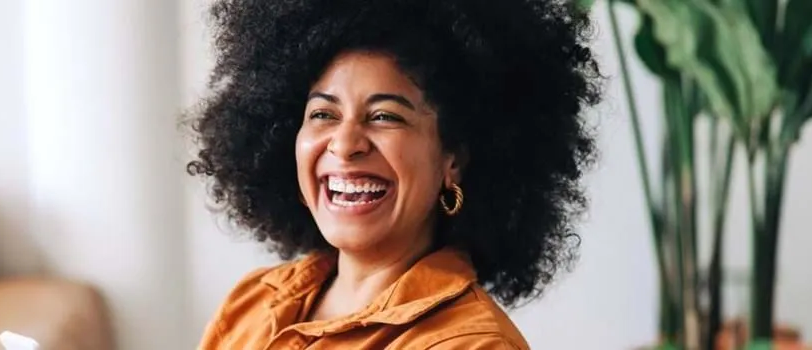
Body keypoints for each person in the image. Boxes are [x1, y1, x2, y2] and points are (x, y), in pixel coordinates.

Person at [186, 0, 601, 348]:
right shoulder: (255, 301)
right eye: (323, 114)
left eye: (385, 116)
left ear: (452, 159)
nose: (346, 143)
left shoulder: (469, 343)